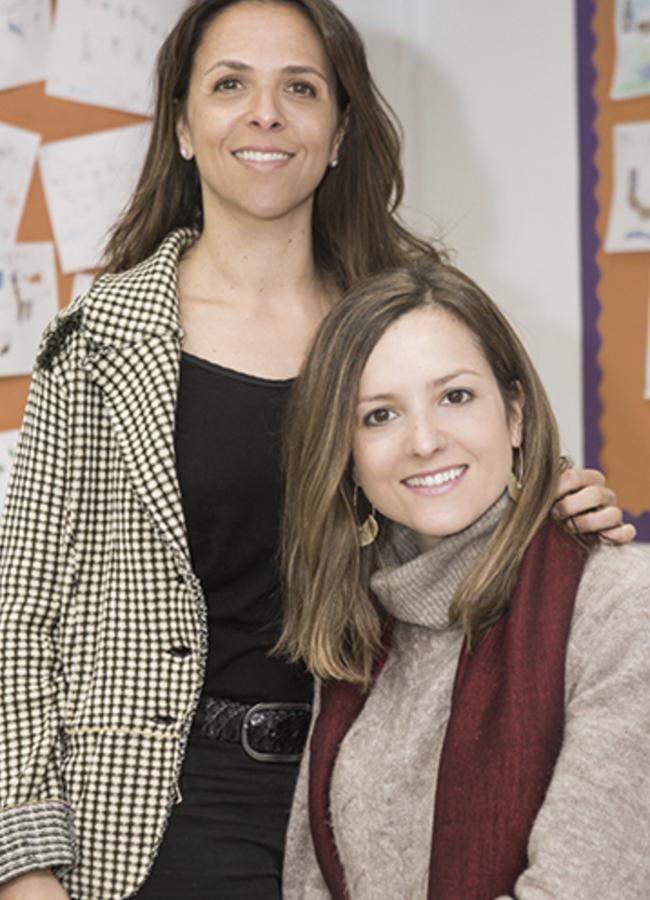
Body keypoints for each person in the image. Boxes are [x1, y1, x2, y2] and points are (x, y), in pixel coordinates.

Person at [0, 1, 634, 899]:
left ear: (339, 129)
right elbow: (20, 617)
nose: (266, 114)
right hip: (149, 808)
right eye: (230, 86)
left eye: (301, 88)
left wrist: (562, 506)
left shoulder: (403, 323)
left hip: (371, 789)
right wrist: (24, 861)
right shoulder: (99, 340)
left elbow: (477, 495)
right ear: (182, 126)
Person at [279, 261, 650, 900]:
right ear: (347, 457)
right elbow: (308, 880)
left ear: (515, 414)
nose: (424, 441)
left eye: (455, 396)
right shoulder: (357, 630)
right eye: (379, 416)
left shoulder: (620, 604)